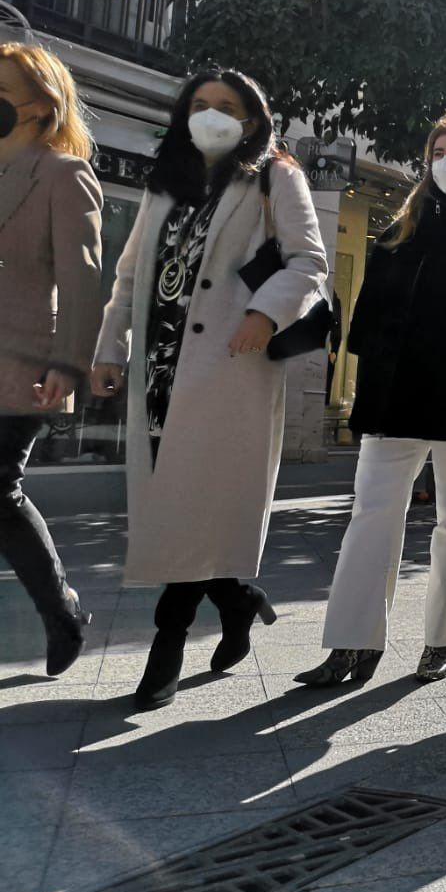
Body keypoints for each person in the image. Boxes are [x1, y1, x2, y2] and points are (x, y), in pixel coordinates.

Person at [90, 70, 328, 710]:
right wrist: (112, 346)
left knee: (198, 502)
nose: (211, 116)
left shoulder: (275, 175)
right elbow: (131, 271)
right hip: (161, 372)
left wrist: (263, 313)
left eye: (227, 107)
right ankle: (238, 597)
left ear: (252, 120)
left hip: (231, 364)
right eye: (200, 105)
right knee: (179, 505)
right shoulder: (164, 181)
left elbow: (309, 260)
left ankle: (167, 646)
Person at [296, 111, 446, 688]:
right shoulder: (402, 227)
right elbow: (370, 320)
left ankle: (440, 640)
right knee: (370, 517)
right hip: (397, 399)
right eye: (438, 149)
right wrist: (369, 386)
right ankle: (352, 643)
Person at [0, 43, 102, 677]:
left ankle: (59, 604)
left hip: (24, 361)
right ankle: (60, 602)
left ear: (42, 105)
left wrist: (69, 363)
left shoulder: (64, 175)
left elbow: (84, 279)